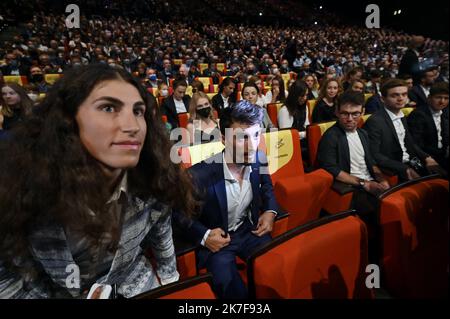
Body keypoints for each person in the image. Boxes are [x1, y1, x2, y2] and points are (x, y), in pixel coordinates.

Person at [0, 64, 197, 299]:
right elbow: (9, 279)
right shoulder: (22, 188)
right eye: (108, 107)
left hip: (133, 284)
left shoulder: (153, 177)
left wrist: (170, 283)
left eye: (138, 111)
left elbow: (162, 237)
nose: (132, 126)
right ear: (68, 119)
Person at [173, 100, 279, 299]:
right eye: (241, 138)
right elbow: (178, 213)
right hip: (218, 241)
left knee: (275, 269)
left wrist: (270, 211)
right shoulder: (198, 175)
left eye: (256, 135)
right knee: (231, 290)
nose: (252, 146)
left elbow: (267, 187)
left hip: (249, 230)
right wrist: (204, 236)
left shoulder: (259, 158)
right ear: (223, 138)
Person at [317, 90, 391, 261]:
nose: (350, 119)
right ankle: (374, 259)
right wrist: (365, 183)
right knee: (380, 212)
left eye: (355, 114)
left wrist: (381, 179)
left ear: (362, 112)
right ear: (337, 112)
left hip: (370, 182)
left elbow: (371, 162)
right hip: (351, 188)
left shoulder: (363, 134)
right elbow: (331, 169)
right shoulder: (331, 137)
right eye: (345, 113)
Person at [364, 79, 442, 181]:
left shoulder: (402, 116)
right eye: (394, 95)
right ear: (383, 99)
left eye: (404, 94)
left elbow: (410, 143)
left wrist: (427, 157)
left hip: (412, 161)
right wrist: (404, 168)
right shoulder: (375, 121)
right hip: (394, 167)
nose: (401, 98)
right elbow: (375, 154)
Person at [408, 82, 449, 171]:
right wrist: (427, 158)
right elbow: (414, 143)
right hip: (426, 157)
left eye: (446, 98)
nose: (442, 101)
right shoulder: (418, 115)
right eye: (438, 97)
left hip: (443, 155)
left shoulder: (446, 112)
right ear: (429, 98)